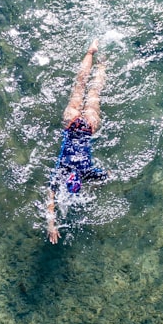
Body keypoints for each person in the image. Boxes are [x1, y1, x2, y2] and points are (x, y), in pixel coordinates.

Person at [46, 39, 107, 244]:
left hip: (88, 126)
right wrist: (51, 225)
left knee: (92, 91)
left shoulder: (86, 172)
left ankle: (99, 60)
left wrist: (94, 185)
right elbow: (51, 195)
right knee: (81, 87)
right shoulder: (64, 169)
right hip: (71, 123)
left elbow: (106, 176)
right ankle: (94, 54)